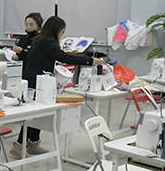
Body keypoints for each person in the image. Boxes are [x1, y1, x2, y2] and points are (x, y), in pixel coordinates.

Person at [10, 15, 104, 158]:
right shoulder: (48, 42)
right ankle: (19, 145)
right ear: (57, 30)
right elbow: (65, 57)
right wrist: (89, 60)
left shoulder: (40, 40)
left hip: (34, 80)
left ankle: (33, 143)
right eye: (62, 31)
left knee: (39, 114)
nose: (62, 34)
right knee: (34, 115)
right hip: (37, 82)